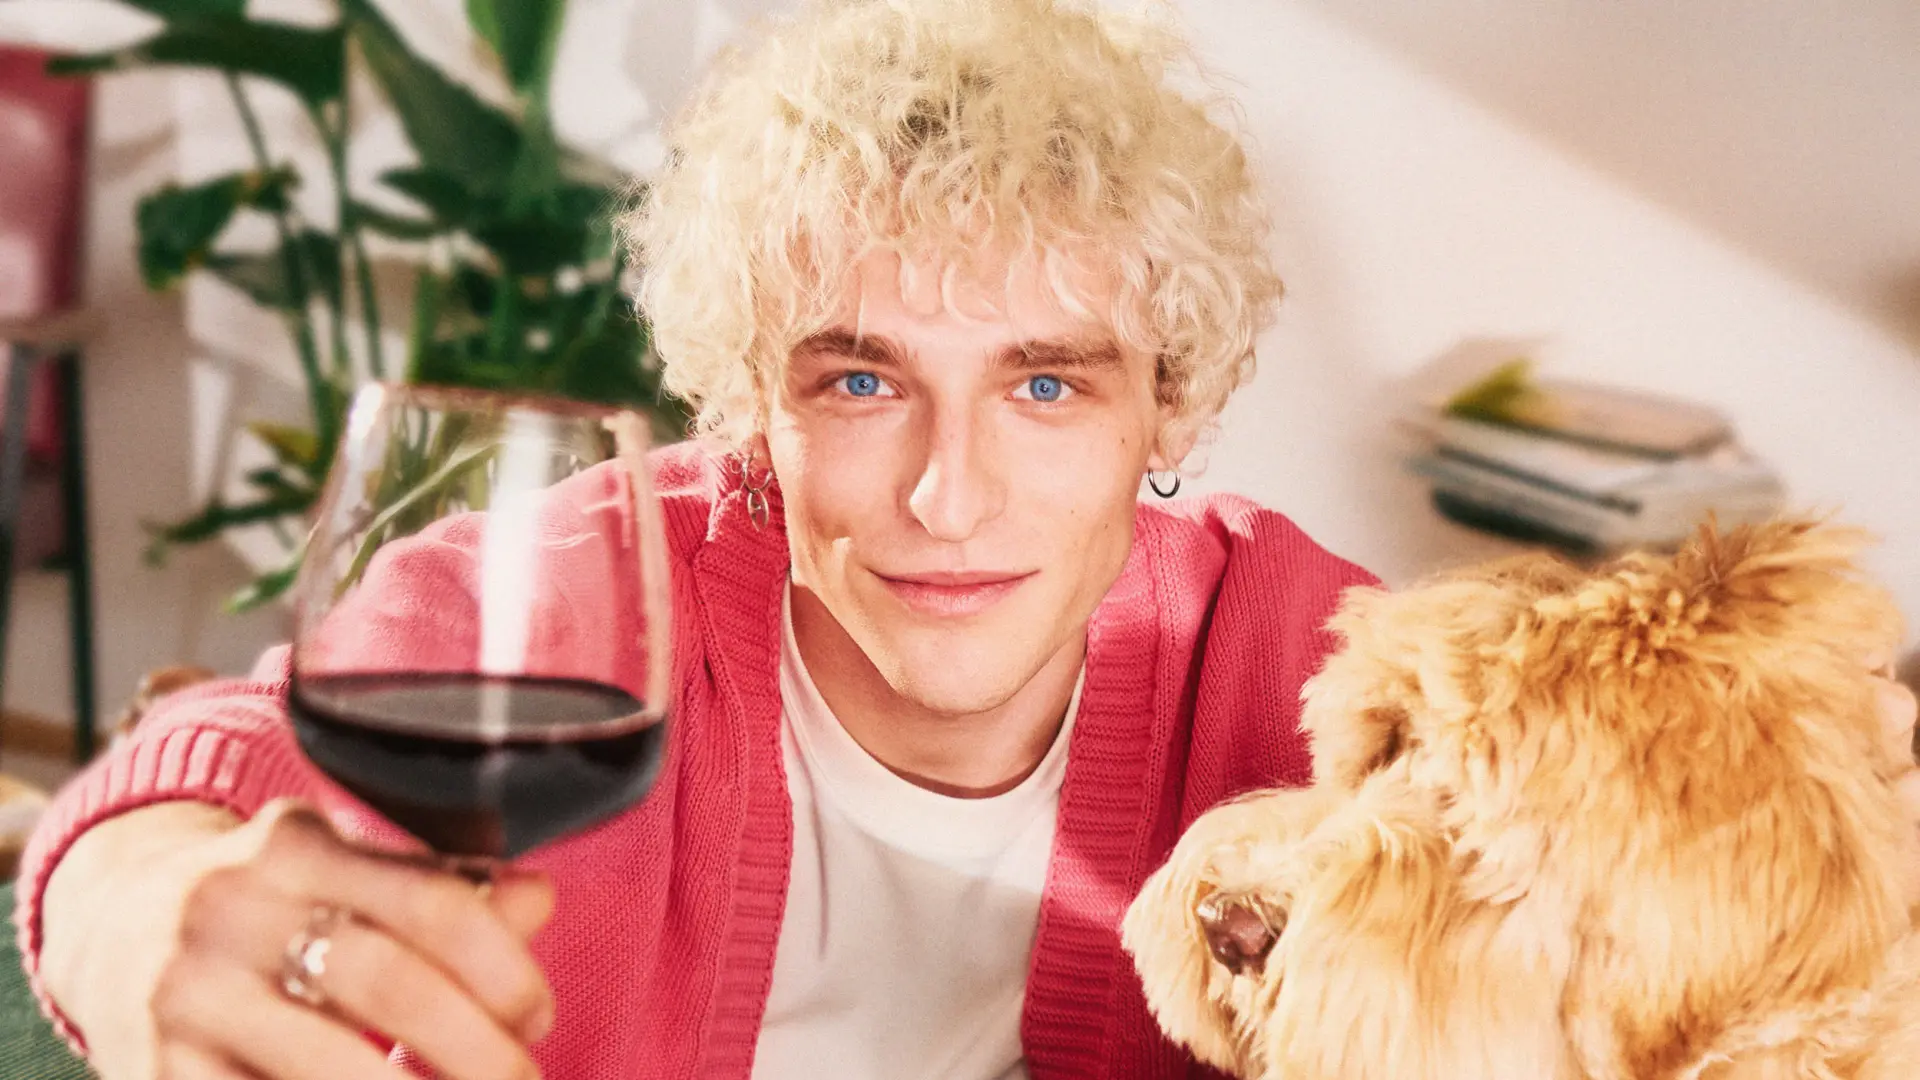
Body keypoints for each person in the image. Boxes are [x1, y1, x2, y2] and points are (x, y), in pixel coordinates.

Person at [18, 1, 1917, 1078]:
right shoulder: (599, 596)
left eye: (1043, 387)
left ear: (1164, 409)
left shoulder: (1313, 670)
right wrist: (123, 910)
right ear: (751, 399)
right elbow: (194, 790)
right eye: (858, 385)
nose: (944, 494)